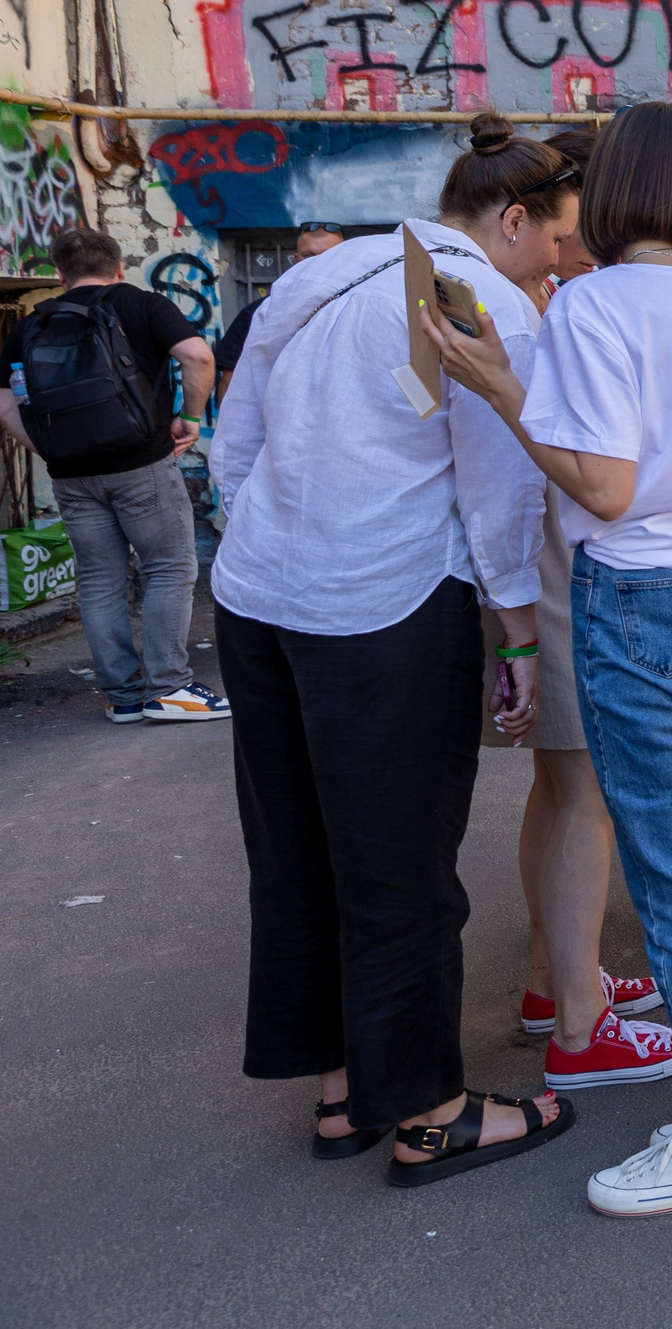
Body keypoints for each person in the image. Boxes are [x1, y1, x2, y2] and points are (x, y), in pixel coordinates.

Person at [425, 100, 672, 1217]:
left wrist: (503, 387)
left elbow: (602, 486)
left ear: (610, 192)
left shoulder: (596, 302)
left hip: (639, 599)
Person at [209, 120, 569, 1185]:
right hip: (385, 605)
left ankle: (339, 1092)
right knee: (398, 866)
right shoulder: (490, 304)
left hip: (260, 594)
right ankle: (429, 1112)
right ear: (511, 220)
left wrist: (273, 534)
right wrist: (517, 635)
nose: (559, 262)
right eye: (555, 241)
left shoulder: (317, 277)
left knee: (299, 852)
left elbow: (237, 437)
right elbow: (500, 488)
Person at [458, 122, 672, 1091]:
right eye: (569, 224)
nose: (575, 242)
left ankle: (558, 982)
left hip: (534, 570)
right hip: (554, 568)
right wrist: (513, 624)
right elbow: (517, 475)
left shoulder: (521, 300)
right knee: (585, 793)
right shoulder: (532, 312)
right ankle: (580, 1026)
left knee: (560, 786)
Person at [0, 226, 223, 725]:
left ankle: (124, 698)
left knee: (100, 581)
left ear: (59, 274)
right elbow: (199, 356)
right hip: (140, 464)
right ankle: (169, 687)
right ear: (119, 267)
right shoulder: (141, 304)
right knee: (167, 569)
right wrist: (190, 416)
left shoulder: (29, 327)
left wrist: (52, 450)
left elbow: (5, 407)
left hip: (71, 477)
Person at [213, 223, 345, 404]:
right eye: (309, 256)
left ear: (344, 259)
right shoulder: (261, 313)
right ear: (296, 260)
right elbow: (231, 385)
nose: (319, 263)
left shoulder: (365, 310)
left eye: (329, 256)